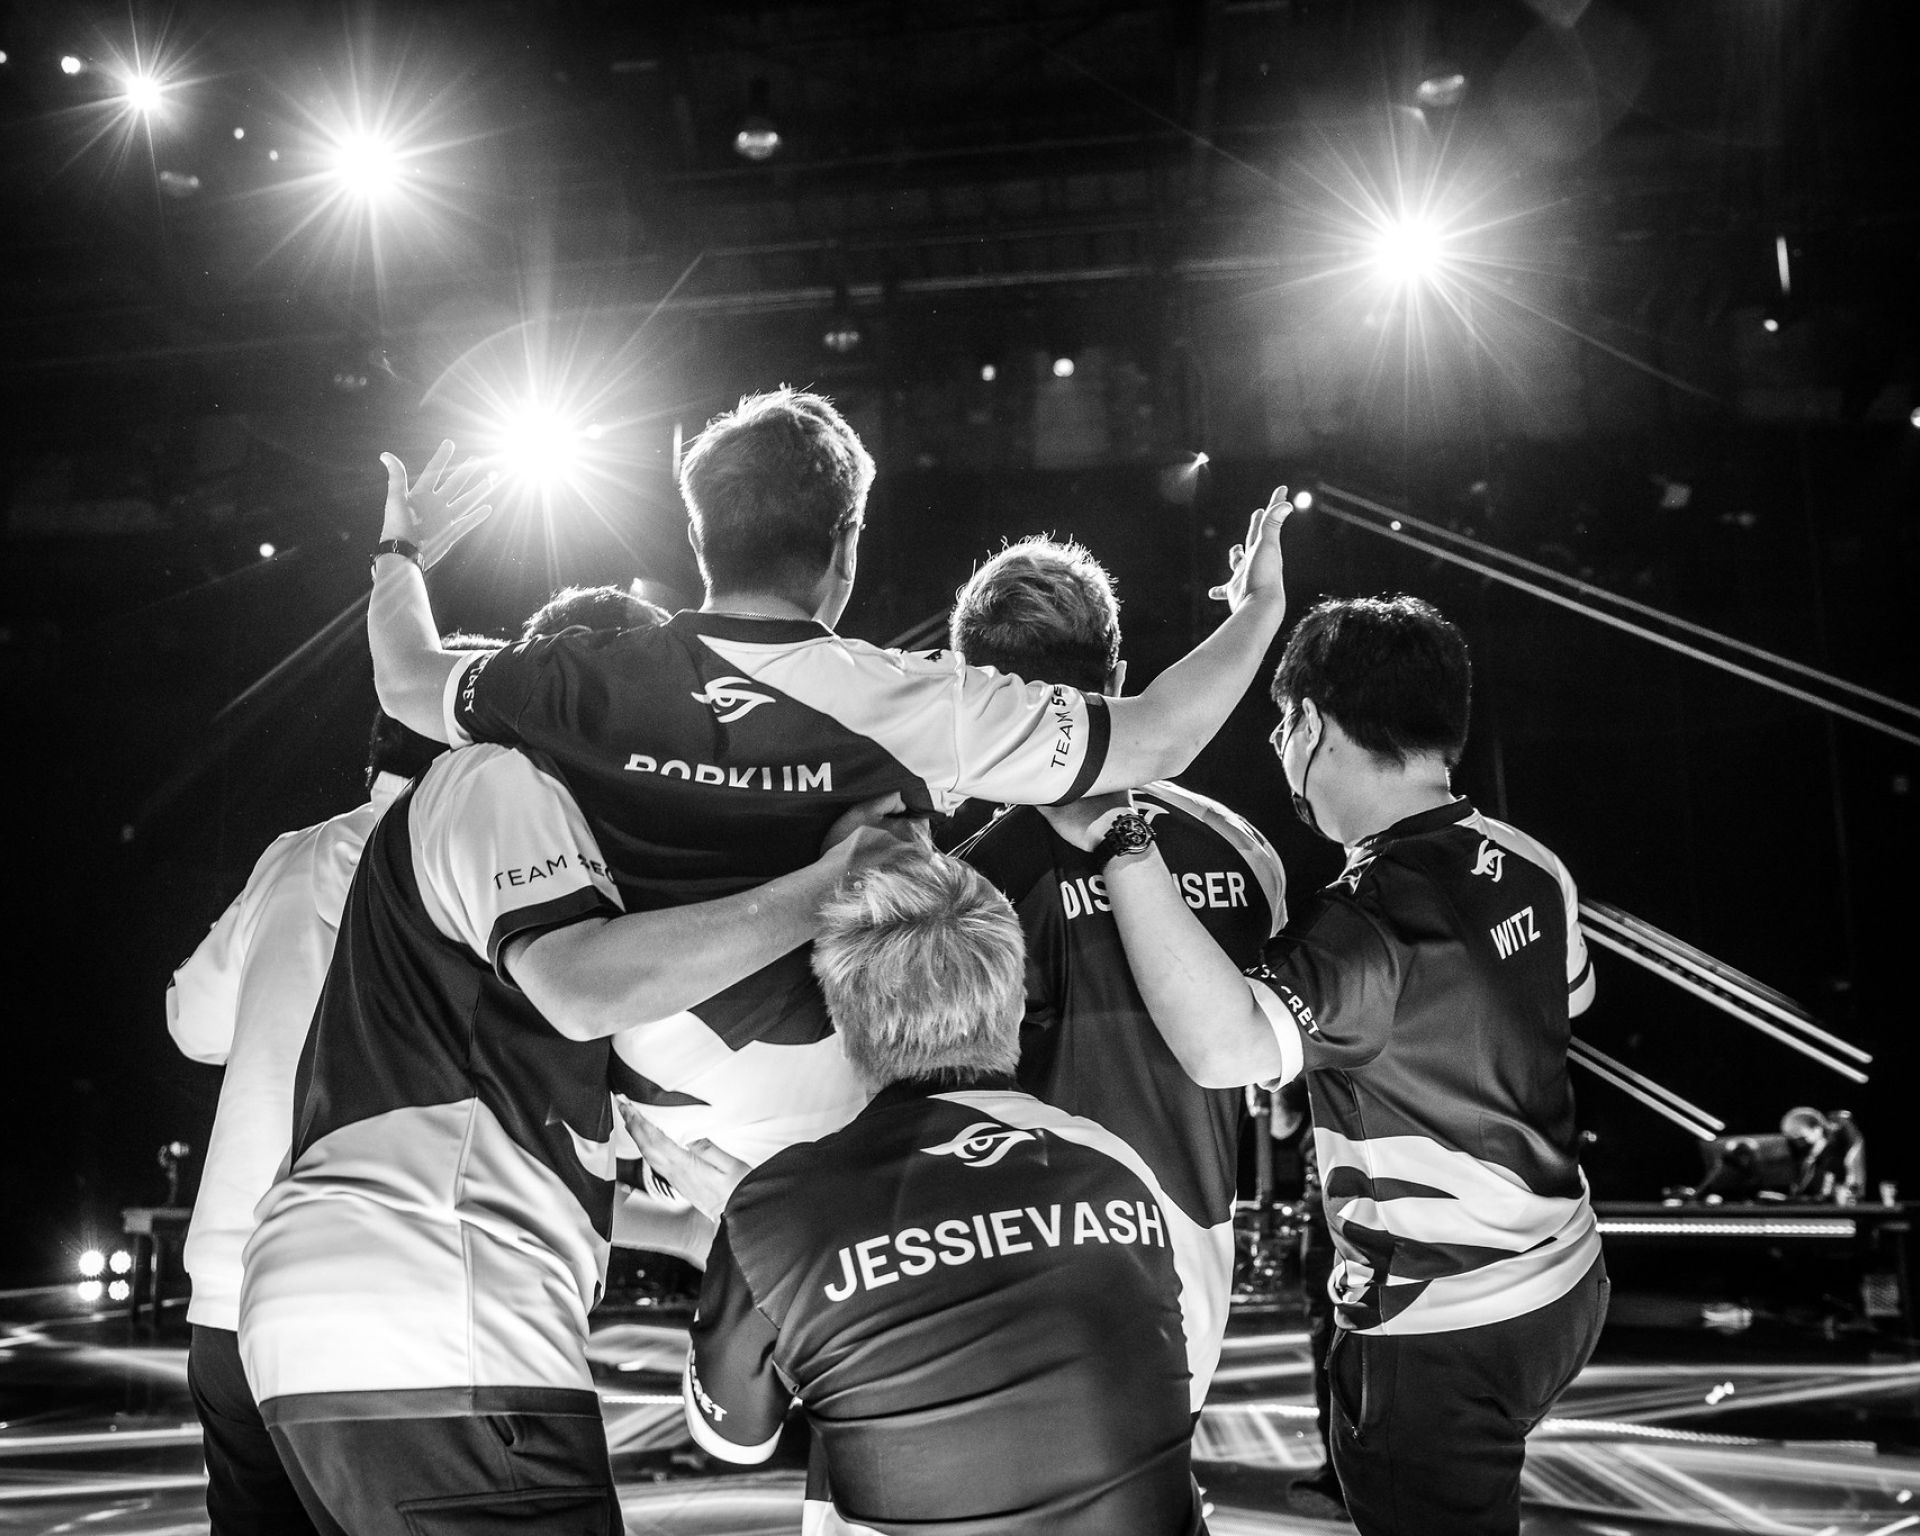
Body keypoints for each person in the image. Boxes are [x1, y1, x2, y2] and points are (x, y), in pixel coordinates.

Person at [233, 601, 911, 1535]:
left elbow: (507, 1110)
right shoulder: (501, 779)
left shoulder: (515, 848)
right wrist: (836, 880)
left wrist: (689, 1226)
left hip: (361, 1308)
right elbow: (584, 989)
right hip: (441, 1305)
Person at [362, 395, 1292, 1070]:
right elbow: (1159, 737)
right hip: (831, 1102)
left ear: (702, 539)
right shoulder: (909, 702)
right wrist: (1257, 609)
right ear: (846, 544)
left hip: (644, 1091)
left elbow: (407, 678)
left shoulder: (574, 675)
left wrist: (403, 554)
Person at [1041, 594, 1607, 1536]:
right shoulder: (1528, 859)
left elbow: (1224, 1047)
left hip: (1442, 1329)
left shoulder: (1364, 921)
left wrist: (1124, 841)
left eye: (1281, 725)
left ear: (1310, 723)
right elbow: (1571, 998)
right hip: (1568, 1283)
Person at [661, 847, 1214, 1535]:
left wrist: (740, 1237)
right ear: (1015, 1003)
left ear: (845, 1026)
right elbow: (1168, 1375)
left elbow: (732, 1439)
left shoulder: (773, 1213)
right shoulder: (1111, 1161)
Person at [947, 535, 1286, 1411]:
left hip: (1011, 1261)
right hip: (1195, 1263)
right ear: (1122, 676)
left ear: (973, 688)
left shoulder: (958, 883)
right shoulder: (1243, 850)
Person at [165, 645, 492, 1536]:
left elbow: (191, 1023)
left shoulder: (292, 855)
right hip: (389, 1298)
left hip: (234, 1289)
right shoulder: (487, 859)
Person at [1783, 1107, 1867, 1204]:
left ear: (1817, 1129)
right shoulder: (1809, 1157)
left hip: (1832, 1205)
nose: (1802, 1143)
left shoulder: (1834, 1153)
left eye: (1803, 1138)